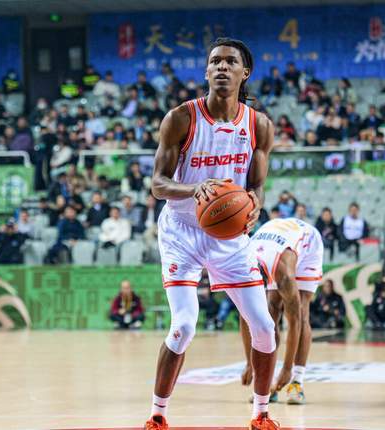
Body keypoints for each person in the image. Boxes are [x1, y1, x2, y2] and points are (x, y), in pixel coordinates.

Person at [146, 37, 278, 430]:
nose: (222, 67)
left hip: (229, 236)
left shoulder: (259, 125)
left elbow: (257, 185)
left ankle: (261, 413)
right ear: (206, 71)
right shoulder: (181, 118)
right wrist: (195, 189)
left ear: (244, 72)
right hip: (182, 230)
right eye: (215, 61)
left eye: (230, 61)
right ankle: (157, 414)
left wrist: (253, 205)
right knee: (184, 326)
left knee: (265, 326)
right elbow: (157, 184)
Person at [242, 218, 324, 405]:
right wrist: (249, 364)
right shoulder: (243, 268)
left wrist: (287, 369)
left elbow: (295, 321)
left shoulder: (283, 274)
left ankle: (297, 382)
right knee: (270, 312)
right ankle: (268, 382)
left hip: (307, 243)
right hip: (274, 243)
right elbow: (245, 319)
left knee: (301, 312)